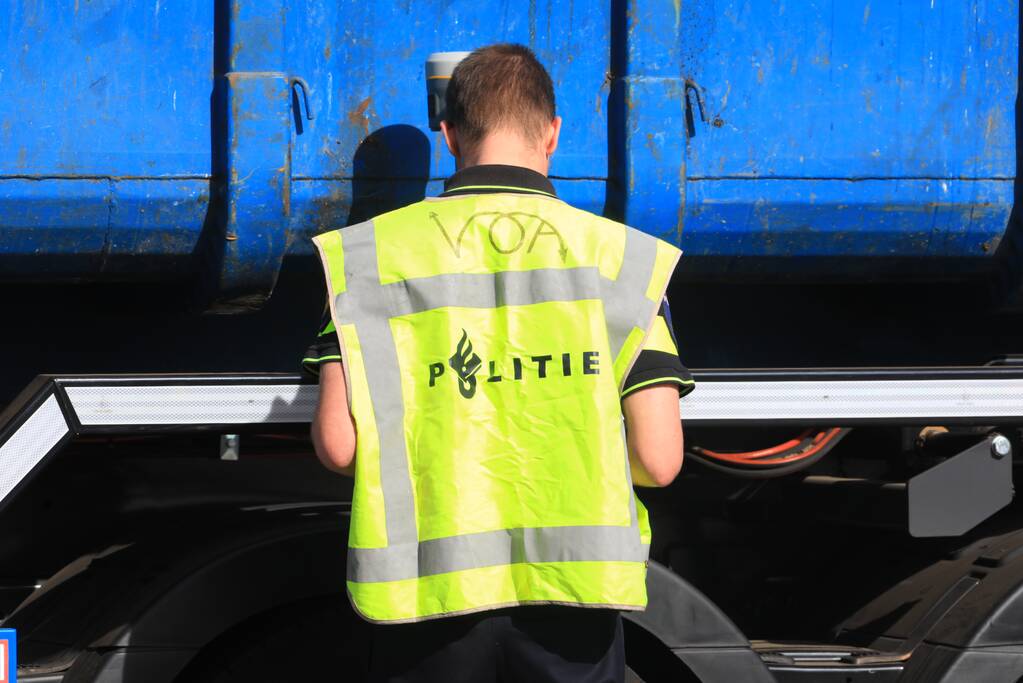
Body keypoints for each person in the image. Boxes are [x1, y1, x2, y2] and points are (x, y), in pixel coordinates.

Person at [303, 44, 694, 683]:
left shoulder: (369, 261)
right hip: (573, 597)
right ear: (553, 134)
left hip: (424, 609)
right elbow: (657, 459)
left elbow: (341, 447)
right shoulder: (622, 261)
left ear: (450, 134)